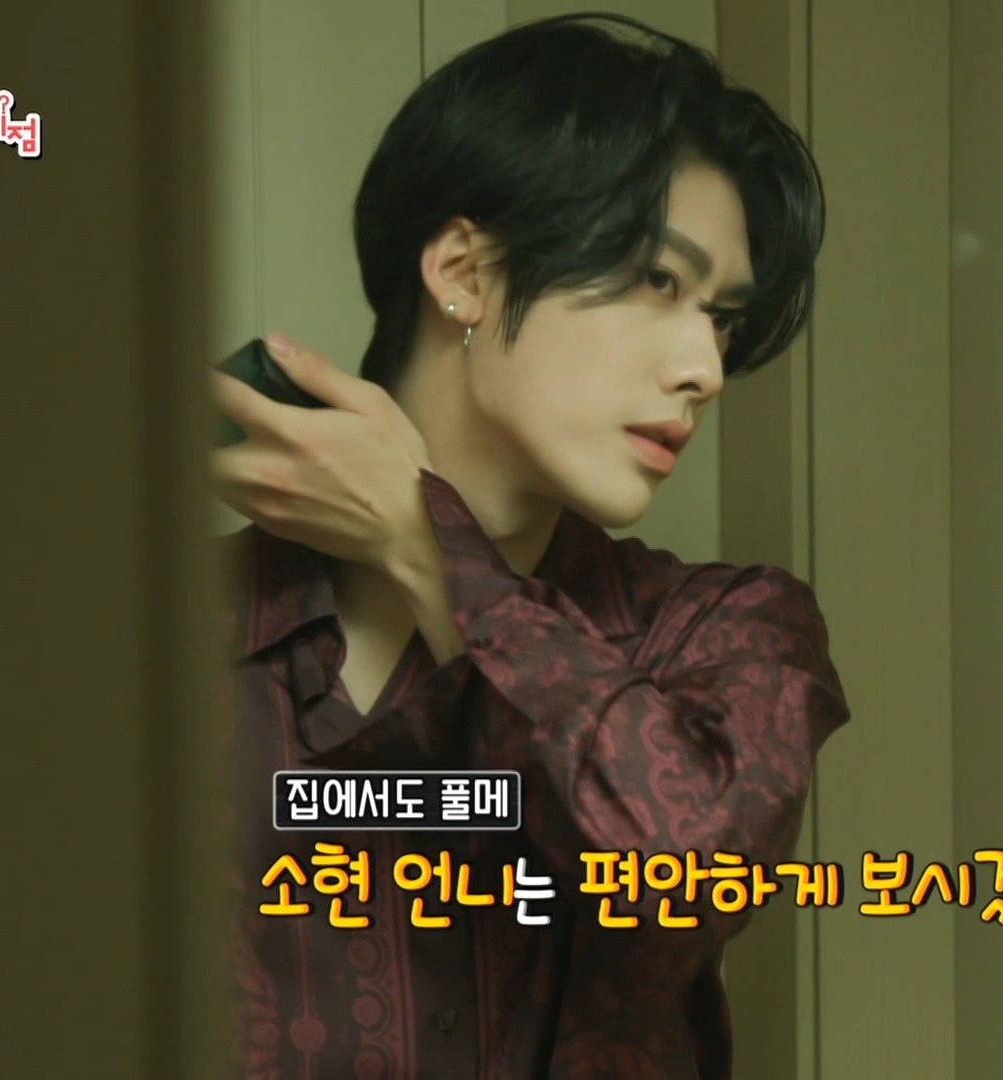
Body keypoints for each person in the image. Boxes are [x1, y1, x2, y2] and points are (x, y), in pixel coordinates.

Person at [209, 13, 847, 1077]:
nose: (704, 368)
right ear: (465, 270)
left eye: (723, 320)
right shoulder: (160, 641)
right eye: (659, 282)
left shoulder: (721, 634)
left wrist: (429, 554)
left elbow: (683, 874)